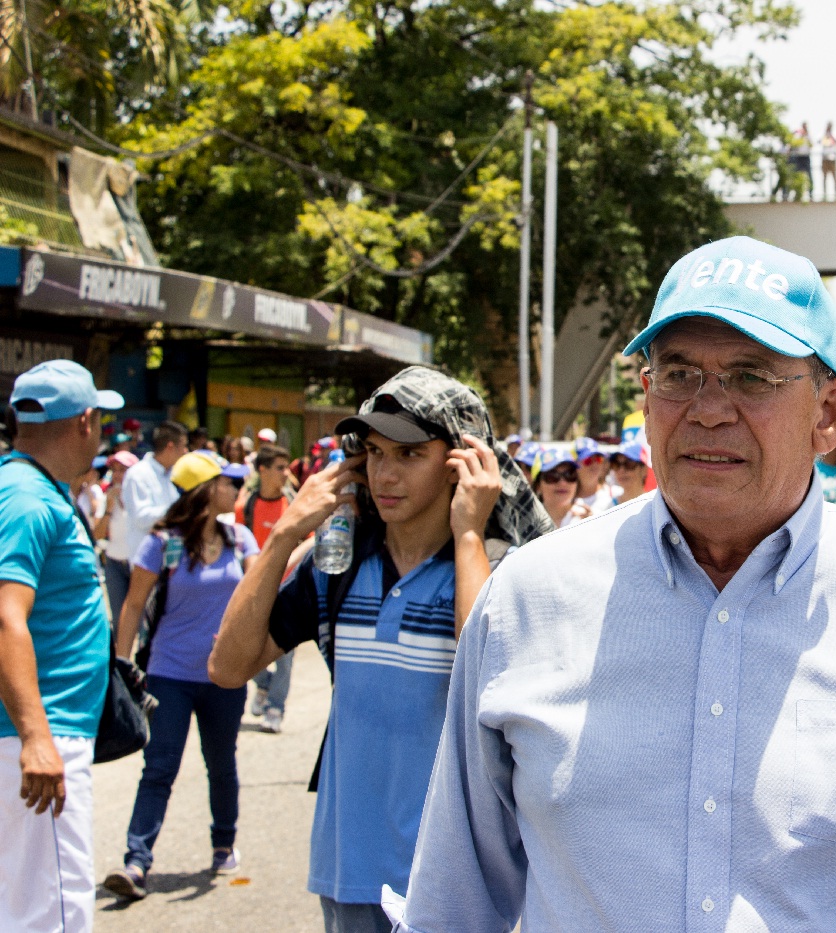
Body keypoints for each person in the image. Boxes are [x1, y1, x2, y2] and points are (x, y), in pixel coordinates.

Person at [389, 235, 836, 932]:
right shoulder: (527, 600)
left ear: (829, 413)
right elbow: (452, 899)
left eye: (750, 377)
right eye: (678, 374)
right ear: (647, 393)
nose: (707, 408)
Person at [208, 366, 552, 933]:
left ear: (462, 464)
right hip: (348, 872)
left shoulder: (497, 571)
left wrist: (469, 533)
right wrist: (284, 537)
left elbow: (484, 679)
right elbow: (227, 667)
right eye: (373, 452)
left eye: (409, 454)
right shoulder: (336, 569)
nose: (384, 474)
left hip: (454, 884)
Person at [0, 360, 123, 932]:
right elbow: (6, 617)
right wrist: (36, 738)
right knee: (54, 913)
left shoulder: (24, 488)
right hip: (38, 737)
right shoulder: (27, 497)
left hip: (31, 735)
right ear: (86, 421)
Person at [102, 453, 258, 900]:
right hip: (168, 674)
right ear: (205, 490)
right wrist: (122, 665)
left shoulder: (239, 538)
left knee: (221, 763)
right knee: (159, 768)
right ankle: (136, 862)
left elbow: (262, 586)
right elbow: (132, 605)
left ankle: (223, 840)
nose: (234, 487)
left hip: (224, 676)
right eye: (226, 481)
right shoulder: (162, 543)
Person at [238, 444, 298, 734]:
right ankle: (262, 685)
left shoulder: (294, 505)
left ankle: (276, 707)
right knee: (246, 648)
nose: (286, 474)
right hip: (256, 591)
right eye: (279, 467)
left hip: (287, 590)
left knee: (285, 657)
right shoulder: (245, 507)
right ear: (262, 470)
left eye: (286, 467)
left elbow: (308, 541)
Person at [122, 421, 189, 561]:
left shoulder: (173, 474)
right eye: (183, 446)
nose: (185, 451)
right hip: (145, 561)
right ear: (170, 447)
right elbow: (142, 517)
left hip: (169, 559)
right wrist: (180, 508)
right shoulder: (138, 474)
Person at [101, 450, 140, 620]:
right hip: (113, 562)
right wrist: (109, 508)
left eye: (122, 470)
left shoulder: (141, 497)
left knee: (139, 619)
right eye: (114, 470)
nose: (117, 475)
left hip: (138, 562)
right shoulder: (107, 497)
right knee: (118, 619)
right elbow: (97, 534)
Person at [531, 446, 588, 528]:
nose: (563, 483)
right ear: (538, 485)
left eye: (569, 475)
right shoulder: (524, 523)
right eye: (552, 476)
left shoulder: (589, 519)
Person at [572, 437, 616, 513]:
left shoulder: (615, 494)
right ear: (575, 465)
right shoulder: (565, 499)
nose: (595, 464)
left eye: (598, 459)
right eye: (588, 460)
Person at [607, 441, 649, 506]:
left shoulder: (657, 507)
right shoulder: (606, 508)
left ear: (644, 469)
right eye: (616, 464)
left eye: (629, 463)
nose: (621, 470)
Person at [819, 122, 836, 201]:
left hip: (832, 159)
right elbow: (820, 142)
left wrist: (830, 135)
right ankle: (824, 194)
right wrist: (825, 134)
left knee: (835, 178)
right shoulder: (823, 134)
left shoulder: (835, 134)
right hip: (825, 159)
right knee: (824, 177)